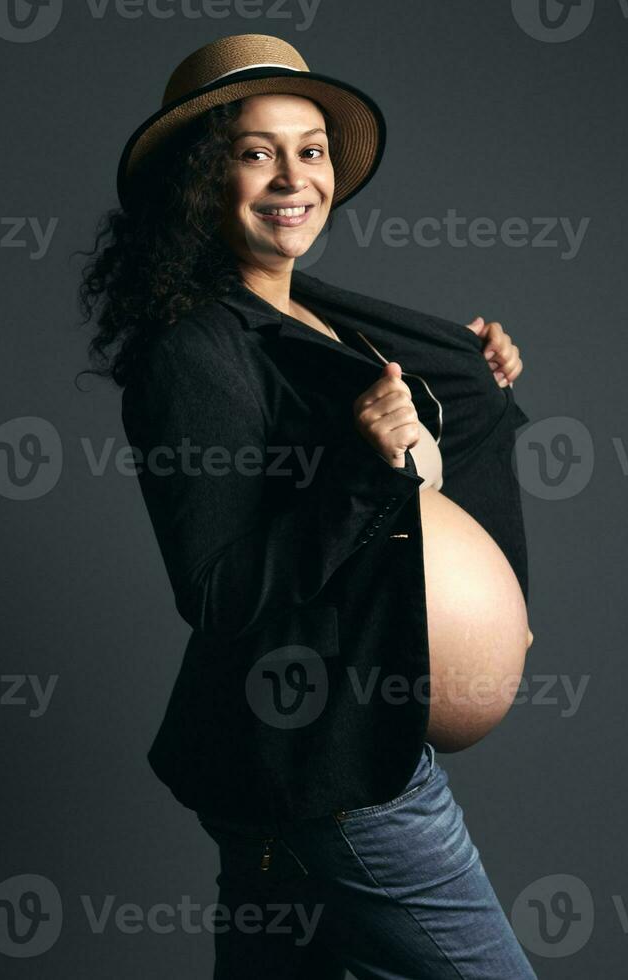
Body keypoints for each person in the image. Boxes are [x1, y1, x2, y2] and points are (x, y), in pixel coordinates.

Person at [79, 33, 537, 978]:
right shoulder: (196, 352)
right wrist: (367, 468)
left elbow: (420, 428)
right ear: (201, 180)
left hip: (295, 753)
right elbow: (216, 591)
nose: (295, 176)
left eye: (312, 149)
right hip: (328, 758)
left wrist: (473, 378)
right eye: (256, 152)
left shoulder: (314, 319)